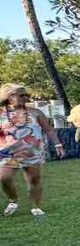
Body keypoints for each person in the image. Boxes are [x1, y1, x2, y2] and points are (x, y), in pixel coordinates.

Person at [0, 83, 64, 217]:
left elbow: (48, 129)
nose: (25, 97)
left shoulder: (35, 112)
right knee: (4, 178)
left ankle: (36, 206)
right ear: (10, 97)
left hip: (32, 151)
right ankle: (13, 200)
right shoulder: (1, 113)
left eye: (26, 95)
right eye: (21, 95)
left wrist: (58, 144)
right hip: (9, 152)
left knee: (34, 179)